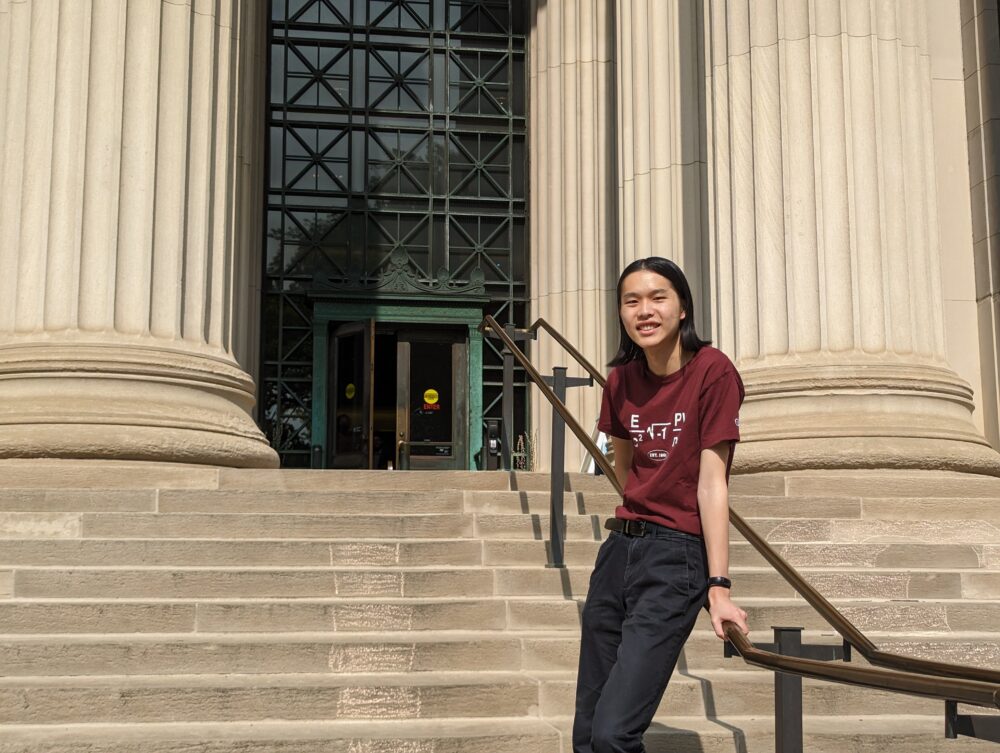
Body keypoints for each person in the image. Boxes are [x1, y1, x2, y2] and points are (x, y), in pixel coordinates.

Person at [573, 257, 750, 753]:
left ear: (682, 307)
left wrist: (719, 585)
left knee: (613, 735)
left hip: (676, 559)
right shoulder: (621, 380)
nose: (644, 311)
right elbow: (626, 467)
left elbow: (713, 484)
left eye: (658, 298)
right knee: (586, 734)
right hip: (618, 554)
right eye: (632, 301)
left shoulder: (713, 372)